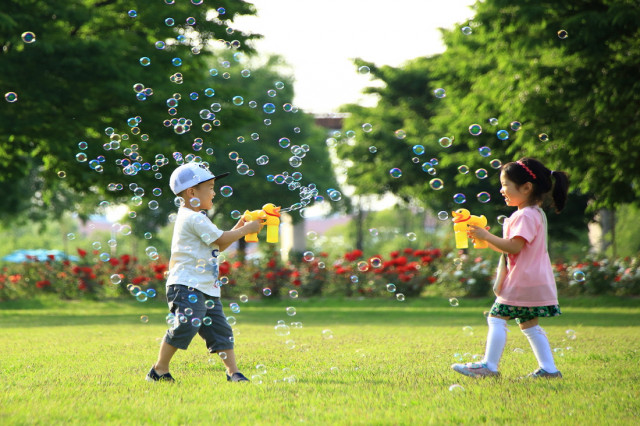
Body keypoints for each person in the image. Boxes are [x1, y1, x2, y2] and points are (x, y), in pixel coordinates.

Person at [451, 157, 569, 379]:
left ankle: (489, 366)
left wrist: (486, 235)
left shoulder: (525, 215)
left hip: (521, 281)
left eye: (505, 184)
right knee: (529, 324)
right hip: (534, 279)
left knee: (496, 318)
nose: (501, 190)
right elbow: (512, 250)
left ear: (526, 187)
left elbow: (514, 247)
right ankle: (549, 370)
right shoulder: (534, 214)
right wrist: (485, 239)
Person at [146, 162, 263, 382]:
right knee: (187, 324)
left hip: (205, 285)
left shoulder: (198, 217)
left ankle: (233, 372)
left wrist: (241, 224)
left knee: (220, 329)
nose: (214, 191)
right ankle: (159, 369)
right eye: (209, 187)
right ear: (192, 192)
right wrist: (247, 229)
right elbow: (221, 239)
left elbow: (219, 244)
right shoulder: (193, 217)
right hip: (186, 284)